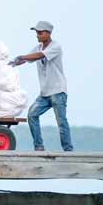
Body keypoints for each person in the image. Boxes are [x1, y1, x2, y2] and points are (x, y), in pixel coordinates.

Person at [10, 21, 73, 151]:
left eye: (40, 32)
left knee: (61, 122)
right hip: (44, 93)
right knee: (32, 115)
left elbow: (39, 56)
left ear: (48, 33)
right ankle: (39, 146)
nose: (37, 35)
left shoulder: (55, 47)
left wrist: (22, 56)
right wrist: (14, 63)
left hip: (58, 92)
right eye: (36, 33)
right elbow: (29, 58)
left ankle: (68, 150)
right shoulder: (38, 47)